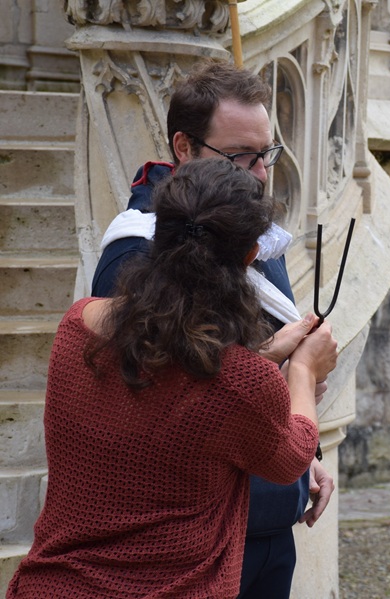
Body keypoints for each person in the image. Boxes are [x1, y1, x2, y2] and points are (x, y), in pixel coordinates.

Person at [6, 159, 338, 598]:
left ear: (158, 232)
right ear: (250, 257)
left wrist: (265, 358)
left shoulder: (77, 325)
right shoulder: (242, 383)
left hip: (52, 585)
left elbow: (164, 384)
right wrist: (302, 371)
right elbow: (290, 457)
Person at [89, 61, 334, 598]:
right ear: (184, 147)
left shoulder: (252, 231)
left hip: (270, 514)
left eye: (266, 154)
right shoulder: (137, 251)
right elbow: (152, 399)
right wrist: (291, 367)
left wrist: (304, 460)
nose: (261, 174)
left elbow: (255, 372)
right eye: (240, 157)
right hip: (196, 536)